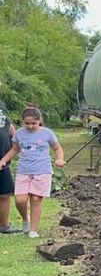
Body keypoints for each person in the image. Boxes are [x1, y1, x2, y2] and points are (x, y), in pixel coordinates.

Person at [0, 107, 65, 238]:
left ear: (39, 121)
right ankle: (25, 219)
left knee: (36, 199)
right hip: (24, 171)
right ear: (23, 122)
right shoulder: (19, 133)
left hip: (42, 171)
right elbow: (14, 149)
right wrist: (3, 160)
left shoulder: (47, 133)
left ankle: (33, 230)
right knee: (20, 201)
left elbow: (57, 148)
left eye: (33, 123)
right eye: (27, 123)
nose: (30, 126)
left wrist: (59, 159)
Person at [0, 100, 18, 234]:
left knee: (4, 194)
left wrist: (17, 139)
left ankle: (4, 225)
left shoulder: (1, 103)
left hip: (3, 158)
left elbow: (8, 123)